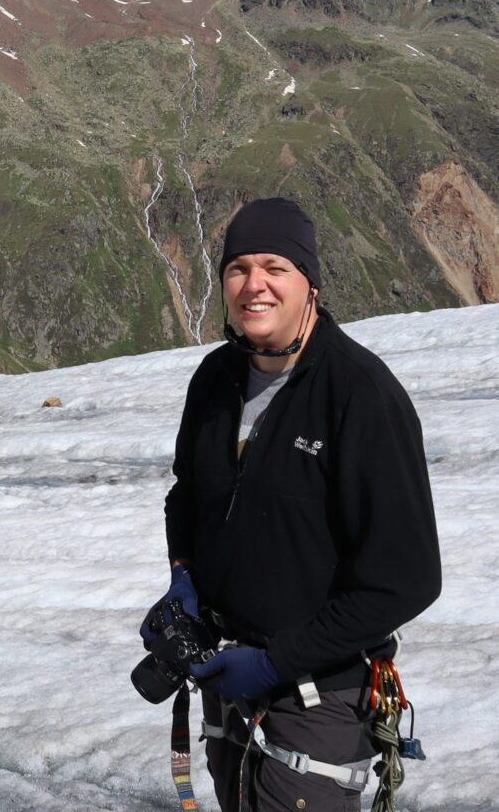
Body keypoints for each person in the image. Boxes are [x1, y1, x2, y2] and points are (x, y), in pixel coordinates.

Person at [141, 197, 441, 812]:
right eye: (238, 268)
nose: (255, 285)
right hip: (228, 678)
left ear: (310, 282)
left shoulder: (359, 394)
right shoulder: (215, 380)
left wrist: (277, 660)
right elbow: (188, 495)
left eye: (275, 266)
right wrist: (183, 578)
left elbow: (407, 581)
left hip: (319, 694)